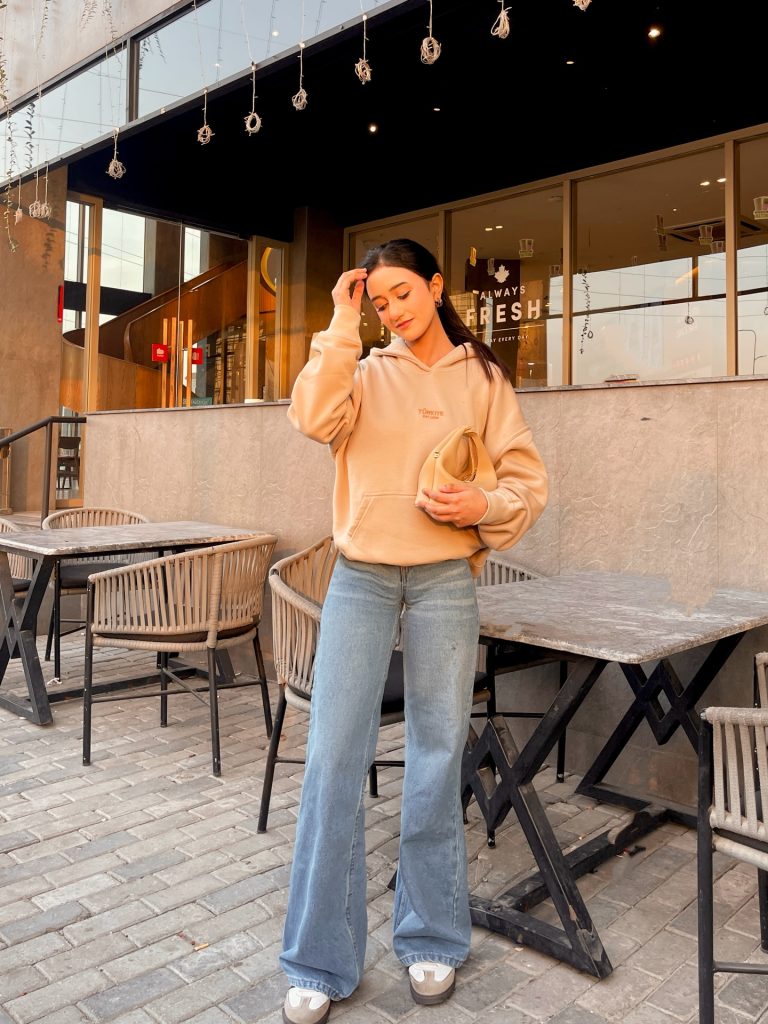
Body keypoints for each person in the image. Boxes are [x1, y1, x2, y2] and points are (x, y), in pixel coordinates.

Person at [280, 238, 548, 1024]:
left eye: (403, 293)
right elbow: (309, 416)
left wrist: (485, 509)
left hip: (444, 581)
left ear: (436, 286)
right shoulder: (361, 372)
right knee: (332, 759)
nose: (392, 309)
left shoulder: (485, 379)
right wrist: (339, 321)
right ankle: (317, 959)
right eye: (379, 300)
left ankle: (431, 937)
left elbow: (525, 483)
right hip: (361, 577)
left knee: (435, 759)